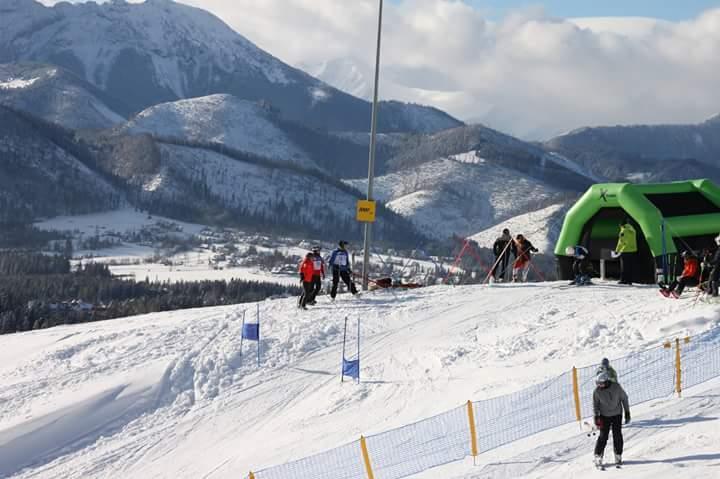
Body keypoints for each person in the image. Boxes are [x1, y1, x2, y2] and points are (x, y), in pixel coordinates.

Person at [593, 371, 630, 468]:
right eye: (597, 383)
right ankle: (598, 455)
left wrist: (627, 412)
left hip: (617, 414)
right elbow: (595, 405)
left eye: (601, 383)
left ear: (607, 381)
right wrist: (596, 417)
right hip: (604, 416)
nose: (599, 385)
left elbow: (624, 398)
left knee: (617, 435)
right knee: (603, 436)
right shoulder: (597, 391)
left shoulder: (616, 387)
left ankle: (618, 455)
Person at [614, 218, 637, 285]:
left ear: (621, 224)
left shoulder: (623, 231)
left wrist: (617, 250)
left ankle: (623, 280)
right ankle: (629, 281)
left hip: (625, 250)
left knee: (624, 267)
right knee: (630, 266)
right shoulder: (632, 229)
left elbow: (620, 242)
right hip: (632, 250)